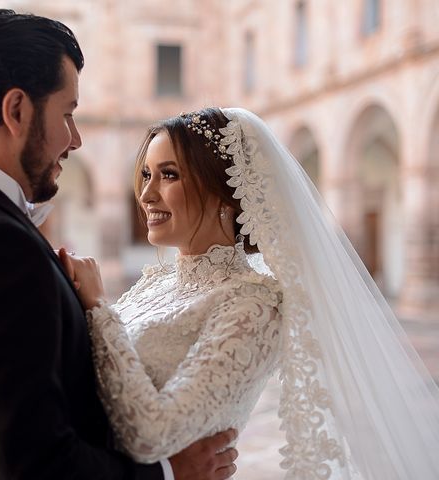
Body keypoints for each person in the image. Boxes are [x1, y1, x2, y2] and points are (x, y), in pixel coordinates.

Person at [0, 9, 239, 480]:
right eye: (67, 114)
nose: (76, 139)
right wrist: (170, 472)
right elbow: (38, 464)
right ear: (17, 110)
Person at [64, 107, 439, 479]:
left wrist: (99, 307)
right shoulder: (154, 283)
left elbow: (152, 434)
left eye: (169, 175)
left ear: (225, 195)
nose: (146, 194)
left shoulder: (255, 306)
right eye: (146, 174)